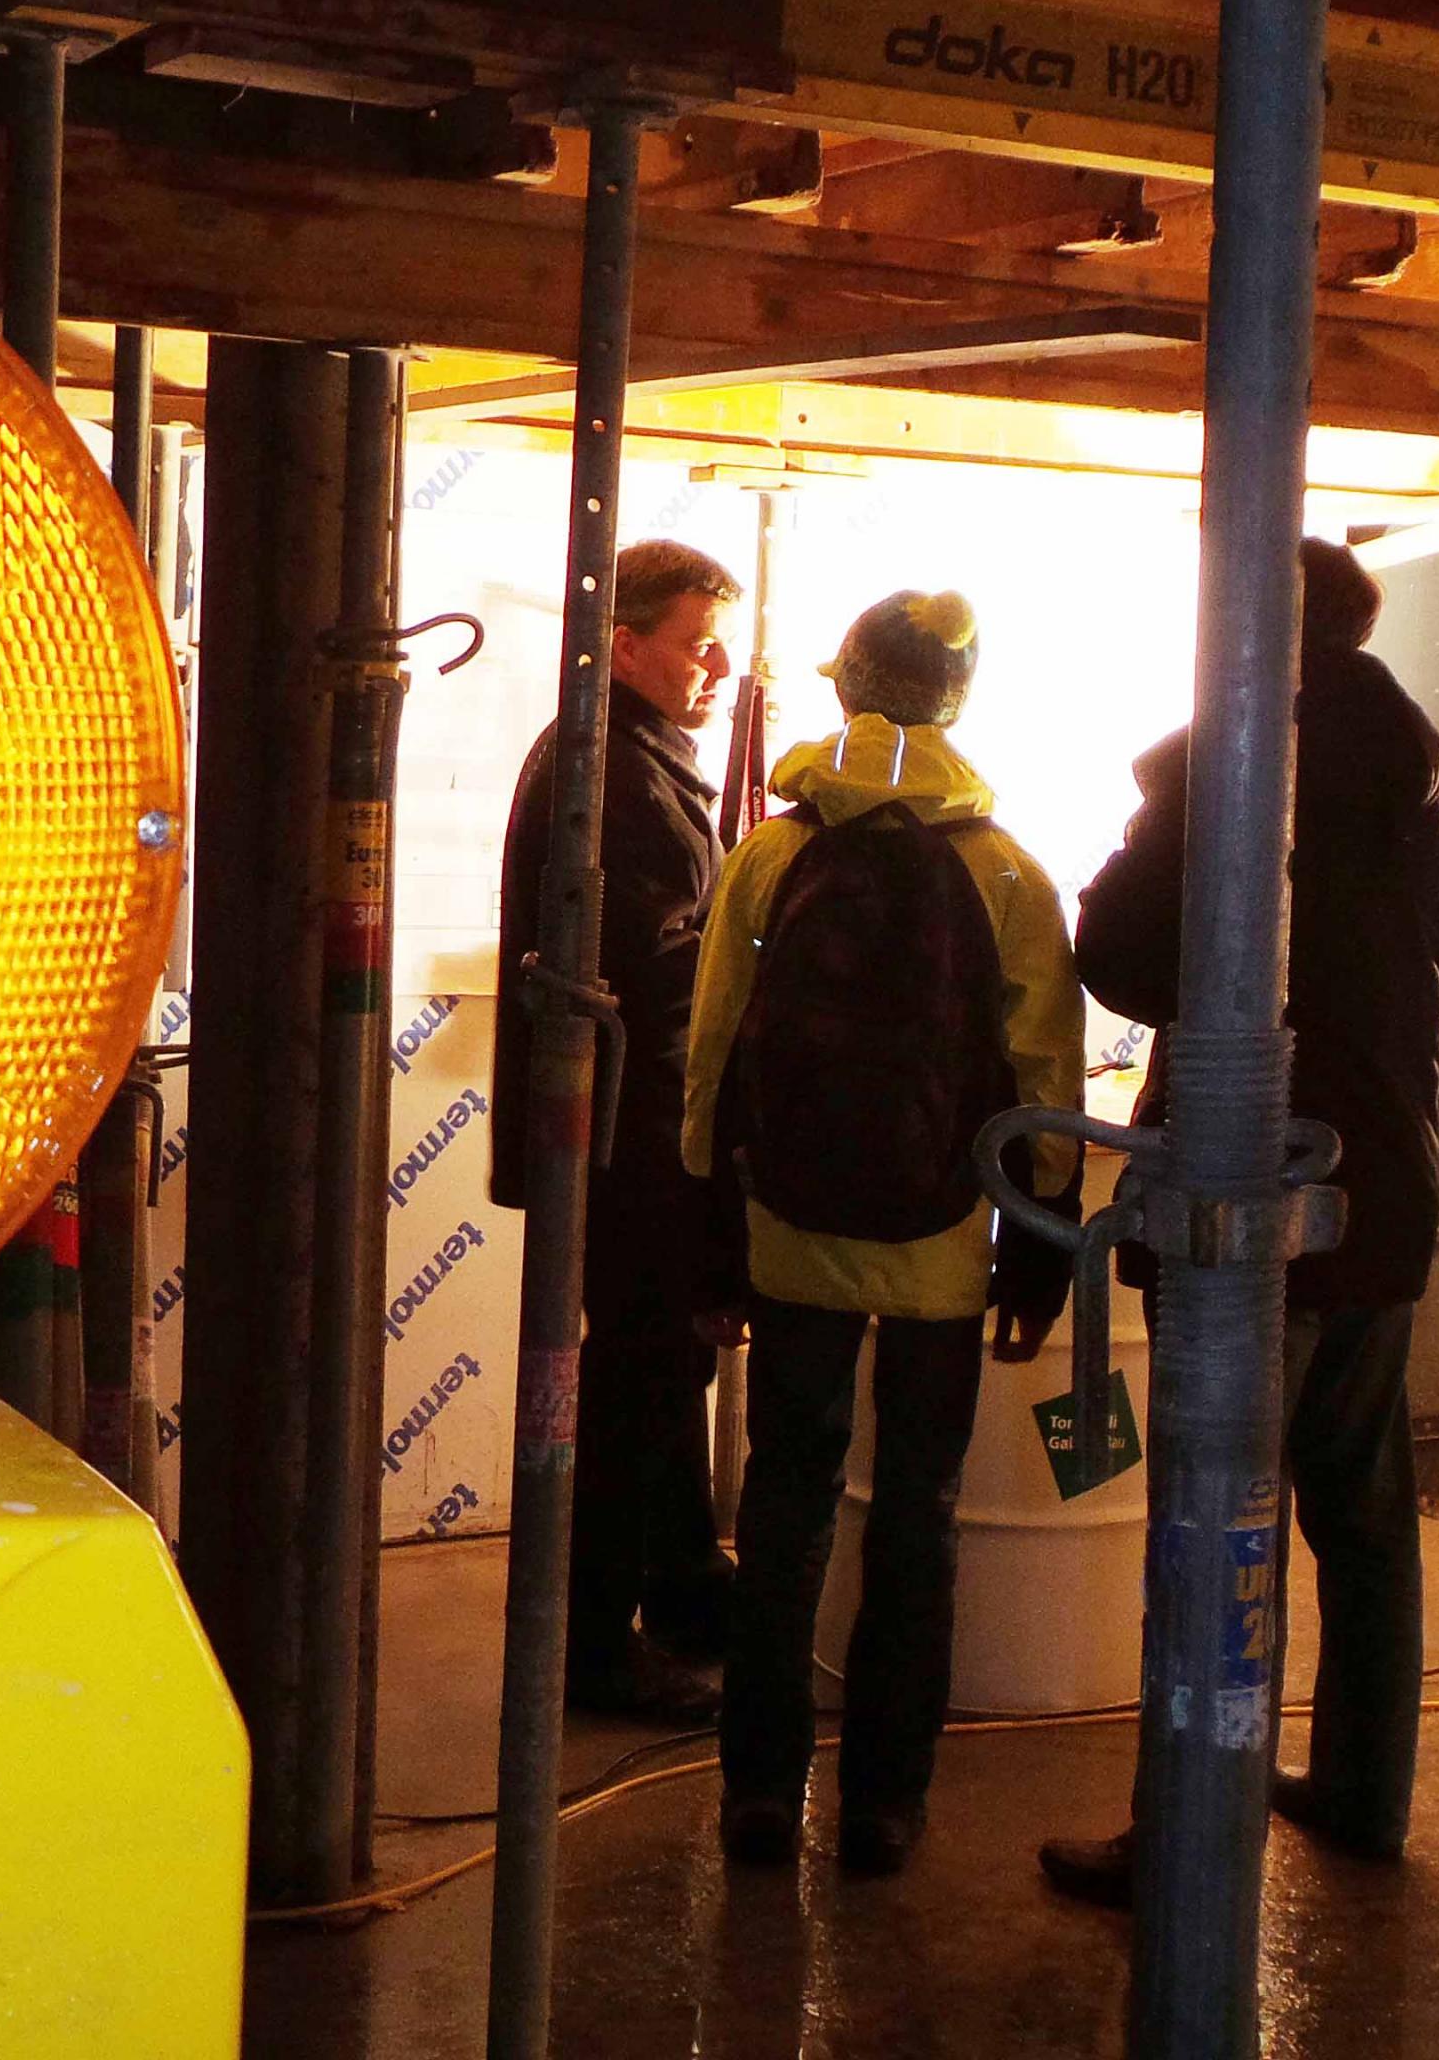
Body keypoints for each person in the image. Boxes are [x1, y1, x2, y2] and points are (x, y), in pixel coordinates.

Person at [1038, 536, 1439, 1896]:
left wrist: (1153, 812)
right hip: (1377, 1189)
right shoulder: (1402, 772)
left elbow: (1117, 954)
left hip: (1242, 1194)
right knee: (1363, 1514)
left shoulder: (1234, 767)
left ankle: (1183, 1835)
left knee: (1215, 1520)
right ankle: (1365, 1796)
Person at [684, 591, 1085, 1876]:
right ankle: (883, 1807)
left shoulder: (770, 852)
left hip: (788, 1238)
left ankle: (759, 1795)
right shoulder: (1007, 868)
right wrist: (1039, 1254)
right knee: (919, 1516)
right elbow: (1046, 1083)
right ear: (955, 699)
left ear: (847, 687)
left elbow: (711, 1054)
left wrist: (712, 1230)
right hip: (943, 1252)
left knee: (784, 1505)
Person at [495, 538, 751, 1723]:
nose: (718, 668)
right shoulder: (609, 772)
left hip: (625, 1126)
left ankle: (686, 1586)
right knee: (637, 1375)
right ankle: (594, 1646)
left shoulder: (628, 757)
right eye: (700, 645)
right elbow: (659, 974)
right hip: (627, 1134)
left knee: (661, 1366)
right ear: (627, 645)